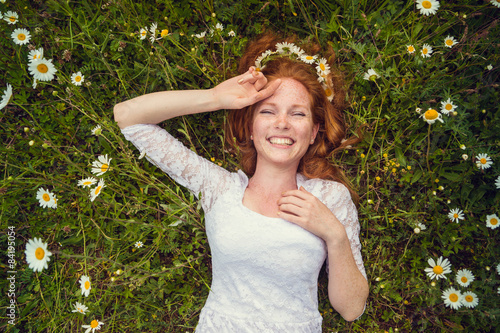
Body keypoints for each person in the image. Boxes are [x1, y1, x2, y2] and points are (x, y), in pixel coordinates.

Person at [114, 32, 369, 332]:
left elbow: (352, 309)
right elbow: (128, 117)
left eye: (297, 113)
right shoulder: (219, 188)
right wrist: (214, 97)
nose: (282, 123)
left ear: (313, 132)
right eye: (268, 111)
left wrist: (335, 235)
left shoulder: (330, 198)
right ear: (250, 127)